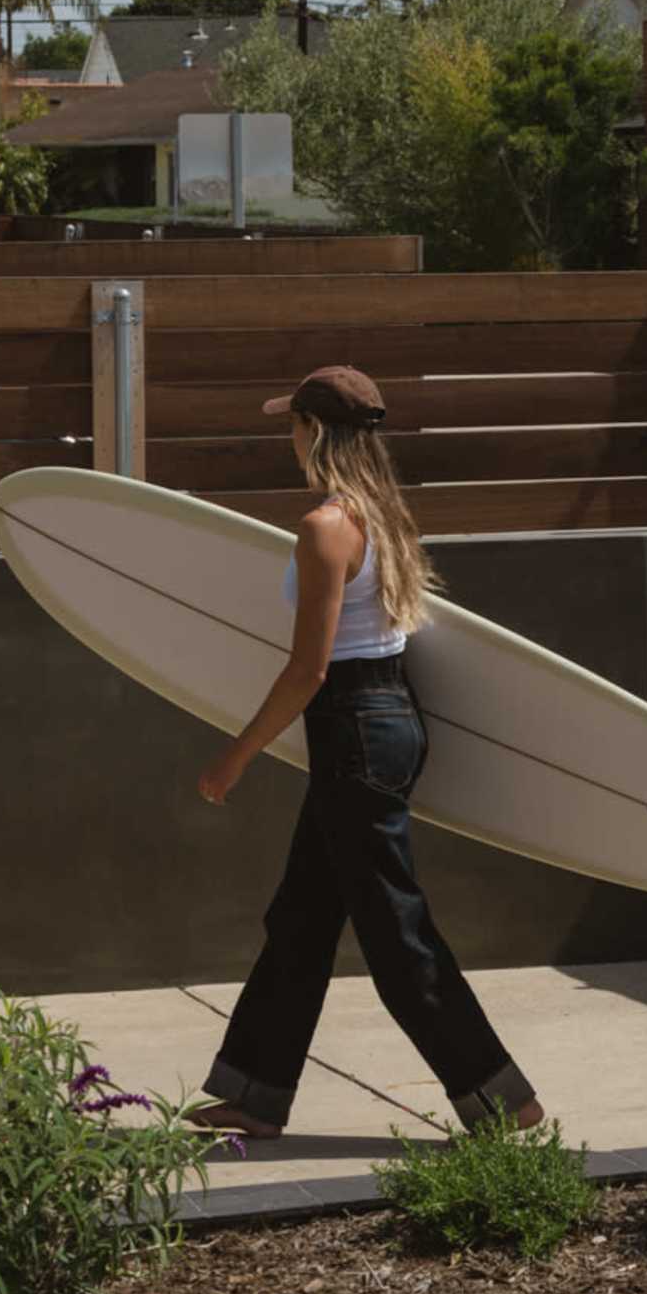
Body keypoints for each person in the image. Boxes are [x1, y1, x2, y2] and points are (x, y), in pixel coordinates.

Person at [190, 365, 540, 1140]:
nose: (288, 439)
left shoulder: (324, 527)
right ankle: (255, 1092)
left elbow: (309, 668)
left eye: (292, 425)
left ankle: (501, 1099)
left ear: (313, 432)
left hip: (351, 726)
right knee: (302, 919)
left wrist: (236, 756)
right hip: (387, 718)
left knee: (394, 934)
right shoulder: (384, 516)